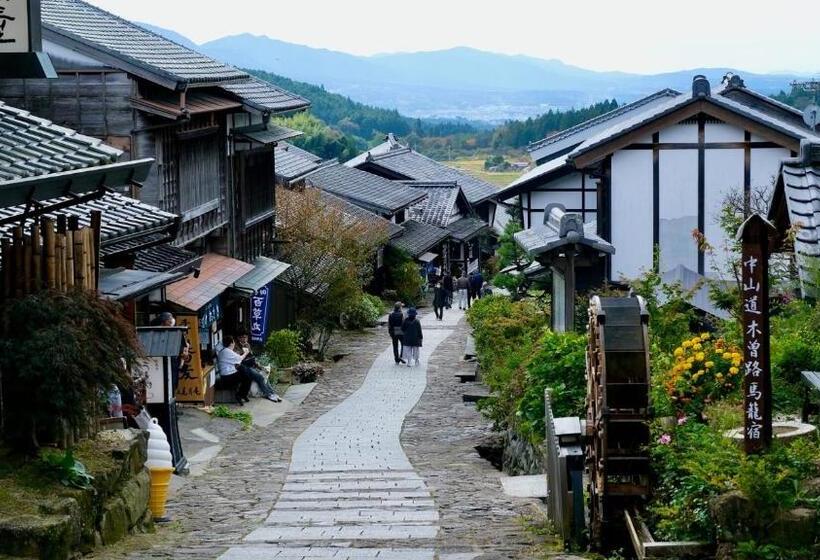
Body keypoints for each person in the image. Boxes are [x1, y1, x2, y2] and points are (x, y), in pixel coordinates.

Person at [218, 335, 281, 404]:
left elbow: (251, 357)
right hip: (232, 373)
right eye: (242, 337)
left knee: (259, 377)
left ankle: (271, 393)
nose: (244, 339)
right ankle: (269, 394)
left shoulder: (246, 345)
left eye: (246, 337)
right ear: (236, 339)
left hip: (242, 368)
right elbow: (239, 359)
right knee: (254, 377)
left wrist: (259, 366)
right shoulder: (231, 349)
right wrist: (245, 353)